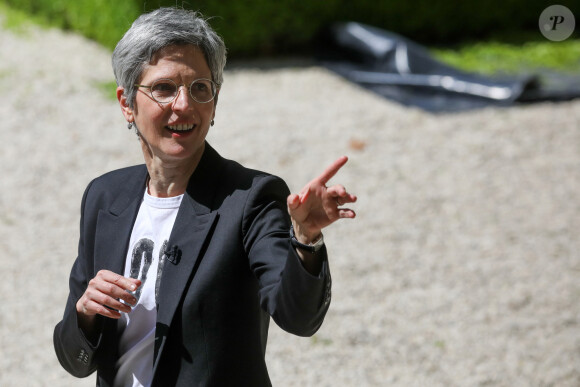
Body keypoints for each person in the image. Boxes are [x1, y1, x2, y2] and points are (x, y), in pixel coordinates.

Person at [53, 7, 356, 387]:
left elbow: (298, 317)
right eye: (164, 88)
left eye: (200, 87)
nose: (184, 105)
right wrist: (85, 314)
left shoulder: (251, 198)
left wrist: (306, 240)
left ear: (214, 103)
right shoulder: (104, 196)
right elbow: (75, 361)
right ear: (127, 103)